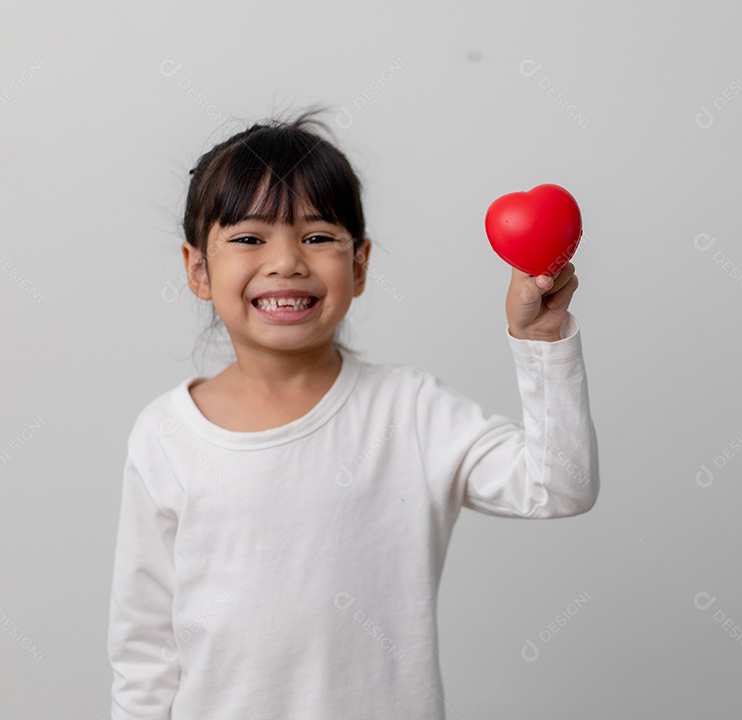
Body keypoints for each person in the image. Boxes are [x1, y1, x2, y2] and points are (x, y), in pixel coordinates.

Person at [106, 105, 600, 720]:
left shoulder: (411, 412)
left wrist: (542, 340)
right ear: (197, 270)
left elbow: (559, 485)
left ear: (360, 264)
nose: (286, 261)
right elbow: (145, 647)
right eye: (249, 238)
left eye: (316, 237)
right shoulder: (166, 435)